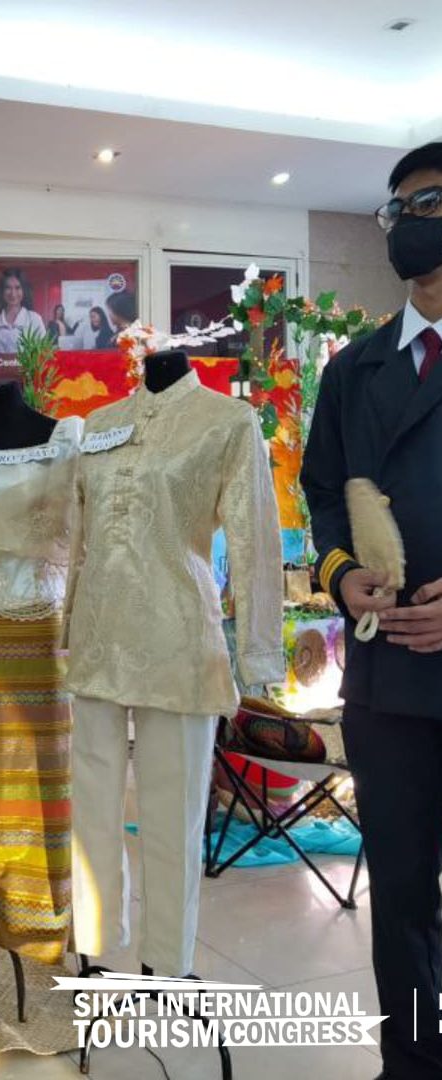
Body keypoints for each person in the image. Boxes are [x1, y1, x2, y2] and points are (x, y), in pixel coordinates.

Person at [302, 140, 442, 1080]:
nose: (406, 224)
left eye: (428, 203)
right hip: (388, 680)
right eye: (397, 210)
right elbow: (321, 491)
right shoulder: (354, 370)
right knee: (400, 891)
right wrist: (341, 570)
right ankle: (415, 1058)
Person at [0, 268, 45, 356]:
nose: (13, 294)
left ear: (24, 290)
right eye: (8, 288)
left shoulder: (35, 319)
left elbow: (42, 352)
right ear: (2, 291)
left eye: (17, 288)